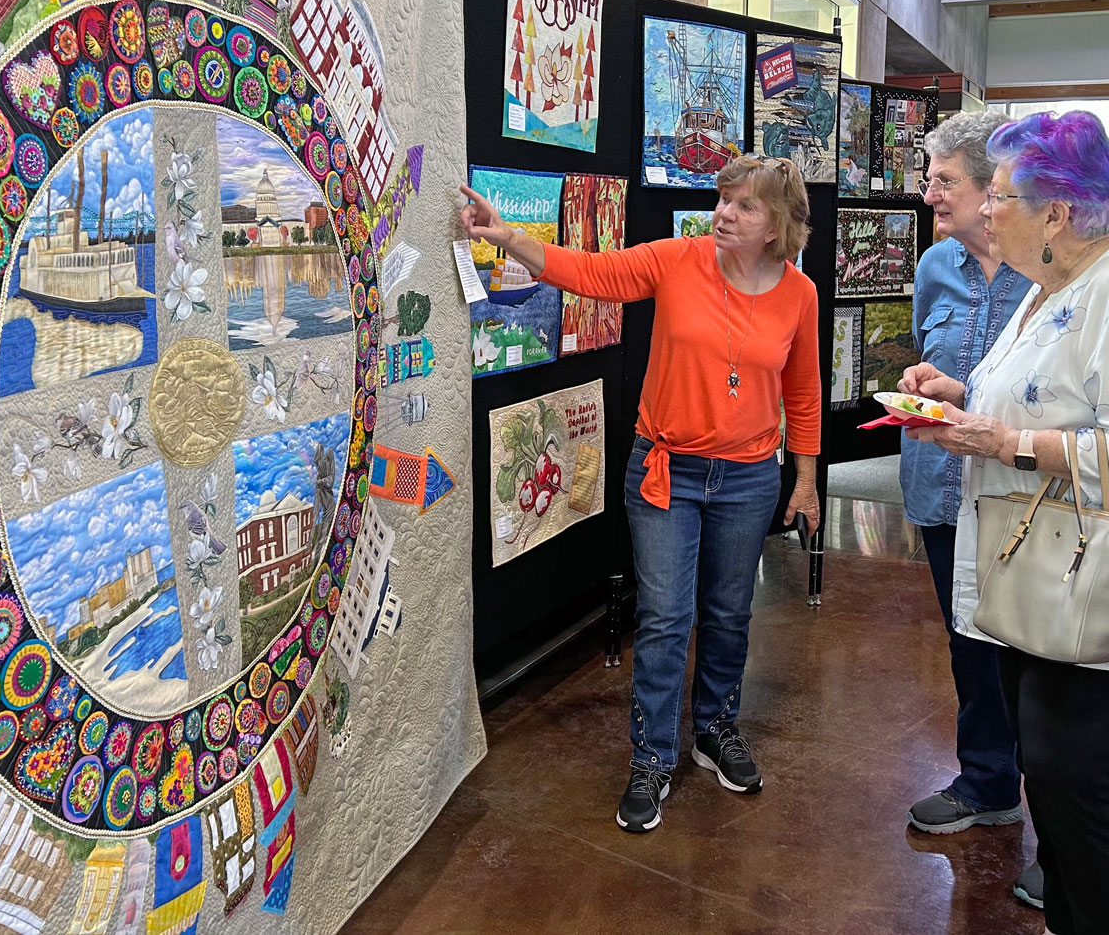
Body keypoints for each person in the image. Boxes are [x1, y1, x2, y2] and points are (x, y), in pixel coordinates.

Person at [460, 155, 822, 833]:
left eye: (742, 205)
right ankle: (653, 756)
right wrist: (505, 236)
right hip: (666, 470)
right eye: (723, 200)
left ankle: (714, 729)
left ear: (775, 225)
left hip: (748, 477)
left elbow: (802, 394)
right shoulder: (677, 258)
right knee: (663, 618)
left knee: (729, 612)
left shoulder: (798, 295)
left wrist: (804, 480)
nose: (723, 213)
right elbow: (591, 273)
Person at [901, 110, 1109, 935]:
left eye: (1005, 195)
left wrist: (1006, 442)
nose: (989, 208)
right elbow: (1019, 393)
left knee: (1076, 789)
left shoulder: (1099, 298)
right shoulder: (1051, 295)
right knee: (1055, 787)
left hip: (1081, 598)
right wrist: (959, 398)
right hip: (1033, 590)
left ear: (1057, 212)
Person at [899, 112, 1034, 841]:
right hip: (942, 490)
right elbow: (935, 357)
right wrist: (929, 386)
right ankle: (987, 781)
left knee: (1040, 654)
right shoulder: (932, 267)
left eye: (943, 181)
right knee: (969, 641)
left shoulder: (1053, 275)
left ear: (992, 190)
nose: (928, 196)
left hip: (1026, 497)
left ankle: (1067, 827)